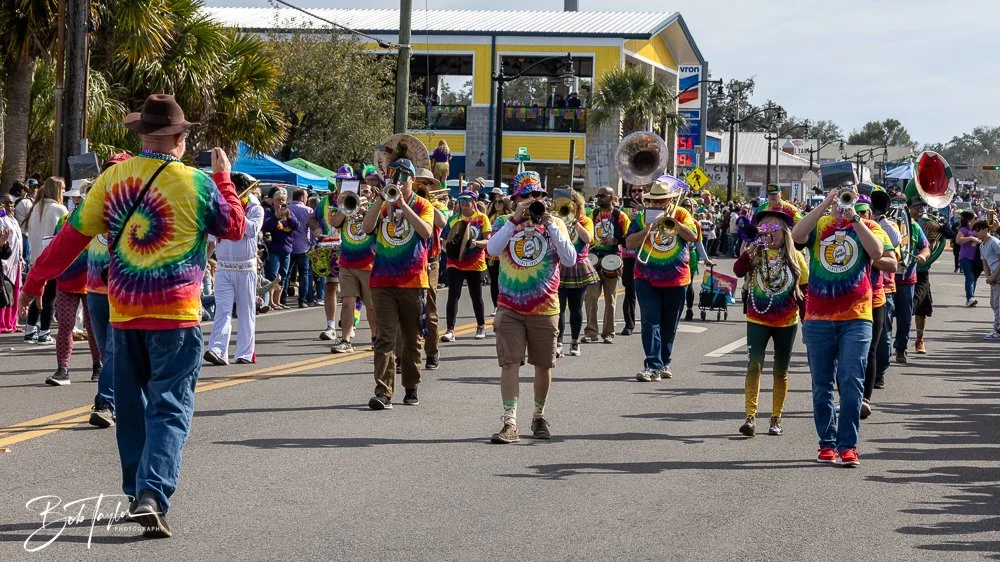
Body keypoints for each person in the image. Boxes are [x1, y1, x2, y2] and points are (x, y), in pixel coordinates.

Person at [20, 93, 246, 537]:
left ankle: (136, 492)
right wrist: (223, 178)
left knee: (130, 407)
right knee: (170, 408)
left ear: (142, 134)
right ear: (180, 139)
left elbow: (68, 239)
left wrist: (34, 283)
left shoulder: (112, 180)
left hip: (124, 314)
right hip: (176, 317)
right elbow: (234, 227)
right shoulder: (197, 183)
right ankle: (152, 493)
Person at [791, 186, 894, 467]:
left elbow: (877, 254)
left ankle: (848, 445)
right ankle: (827, 442)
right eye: (840, 198)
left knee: (851, 382)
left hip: (857, 317)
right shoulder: (821, 222)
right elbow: (797, 235)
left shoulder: (868, 225)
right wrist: (824, 205)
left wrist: (855, 220)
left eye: (847, 198)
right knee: (821, 385)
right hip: (818, 318)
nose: (842, 203)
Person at [486, 171, 576, 443]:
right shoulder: (504, 222)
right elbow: (492, 249)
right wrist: (514, 221)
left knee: (543, 365)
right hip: (510, 306)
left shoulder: (556, 223)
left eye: (537, 195)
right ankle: (509, 422)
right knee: (510, 363)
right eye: (526, 196)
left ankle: (538, 416)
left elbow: (570, 259)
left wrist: (548, 226)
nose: (532, 200)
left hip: (545, 307)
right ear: (515, 199)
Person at [361, 158, 434, 410]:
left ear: (413, 180)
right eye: (395, 176)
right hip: (382, 280)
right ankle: (383, 392)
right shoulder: (382, 204)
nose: (399, 181)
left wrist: (403, 204)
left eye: (404, 177)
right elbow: (367, 227)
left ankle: (411, 386)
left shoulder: (424, 204)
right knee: (384, 338)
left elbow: (426, 232)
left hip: (413, 282)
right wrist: (381, 199)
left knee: (412, 339)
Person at [732, 204, 807, 437]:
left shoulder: (797, 259)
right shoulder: (756, 254)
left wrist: (810, 329)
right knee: (754, 365)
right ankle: (750, 417)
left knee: (780, 371)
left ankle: (776, 418)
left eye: (775, 227)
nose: (769, 232)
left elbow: (805, 296)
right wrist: (751, 249)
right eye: (764, 227)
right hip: (757, 320)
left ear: (785, 232)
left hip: (786, 322)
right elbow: (737, 270)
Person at [625, 176, 698, 382]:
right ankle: (652, 365)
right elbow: (629, 242)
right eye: (654, 200)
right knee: (650, 321)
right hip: (646, 276)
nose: (657, 204)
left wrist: (674, 223)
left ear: (670, 199)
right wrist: (648, 229)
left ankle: (665, 361)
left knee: (669, 324)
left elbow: (693, 237)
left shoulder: (682, 214)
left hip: (676, 278)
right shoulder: (641, 216)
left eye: (662, 200)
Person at [204, 172, 265, 366]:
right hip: (223, 268)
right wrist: (203, 261)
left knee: (246, 312)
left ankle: (245, 353)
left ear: (239, 190)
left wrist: (236, 214)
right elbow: (212, 240)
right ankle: (217, 350)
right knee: (222, 310)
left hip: (246, 268)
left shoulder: (256, 208)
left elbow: (252, 230)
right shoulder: (222, 208)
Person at [46, 184, 101, 387]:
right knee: (65, 327)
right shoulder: (64, 220)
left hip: (93, 282)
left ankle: (98, 366)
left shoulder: (99, 220)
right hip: (66, 280)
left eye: (82, 197)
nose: (78, 201)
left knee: (93, 328)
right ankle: (63, 369)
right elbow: (53, 246)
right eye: (76, 198)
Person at [853, 196, 897, 420]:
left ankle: (864, 400)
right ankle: (849, 398)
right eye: (856, 211)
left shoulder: (875, 229)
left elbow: (892, 263)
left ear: (870, 214)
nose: (860, 216)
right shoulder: (842, 228)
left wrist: (871, 255)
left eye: (863, 212)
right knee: (846, 355)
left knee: (870, 350)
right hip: (848, 300)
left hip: (875, 299)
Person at [401, 167, 448, 369]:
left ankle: (431, 351)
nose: (422, 186)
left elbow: (442, 222)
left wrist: (427, 201)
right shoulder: (404, 203)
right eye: (419, 182)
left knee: (429, 308)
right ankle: (405, 353)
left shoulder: (438, 204)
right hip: (408, 260)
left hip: (430, 261)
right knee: (405, 309)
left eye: (426, 183)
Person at [329, 174, 378, 354]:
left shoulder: (374, 208)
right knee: (348, 301)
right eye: (361, 191)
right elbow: (334, 223)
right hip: (347, 263)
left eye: (366, 191)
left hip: (369, 264)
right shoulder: (346, 207)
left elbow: (375, 227)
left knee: (371, 305)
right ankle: (345, 340)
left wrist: (365, 211)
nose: (363, 194)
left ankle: (375, 337)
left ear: (372, 194)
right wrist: (346, 207)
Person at [22, 177, 68, 344]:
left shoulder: (35, 208)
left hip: (35, 259)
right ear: (56, 190)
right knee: (49, 297)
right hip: (51, 259)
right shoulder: (59, 209)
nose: (64, 192)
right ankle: (44, 331)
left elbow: (27, 231)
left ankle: (30, 328)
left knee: (36, 294)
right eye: (62, 189)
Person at [441, 190, 491, 342]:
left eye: (467, 199)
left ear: (473, 202)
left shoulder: (482, 218)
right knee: (453, 296)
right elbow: (444, 240)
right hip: (455, 263)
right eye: (461, 199)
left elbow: (488, 241)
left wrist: (475, 243)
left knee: (476, 296)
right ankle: (450, 330)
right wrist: (450, 247)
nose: (463, 202)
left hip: (476, 263)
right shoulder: (453, 219)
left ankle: (481, 326)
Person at [584, 186, 629, 344]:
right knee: (590, 296)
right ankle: (591, 331)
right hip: (594, 259)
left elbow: (630, 238)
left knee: (610, 299)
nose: (599, 198)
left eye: (602, 196)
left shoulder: (620, 216)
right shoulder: (591, 213)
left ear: (612, 197)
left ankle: (608, 332)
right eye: (598, 195)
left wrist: (616, 241)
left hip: (612, 259)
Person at [314, 165, 355, 340]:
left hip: (352, 249)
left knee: (350, 292)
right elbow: (312, 218)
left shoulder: (357, 199)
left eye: (344, 180)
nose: (340, 183)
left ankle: (350, 324)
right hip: (330, 248)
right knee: (330, 286)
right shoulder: (326, 200)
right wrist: (315, 227)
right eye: (338, 179)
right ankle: (330, 326)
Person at [556, 189, 598, 357]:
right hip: (560, 266)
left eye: (570, 202)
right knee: (559, 307)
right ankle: (558, 342)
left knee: (576, 307)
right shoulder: (556, 220)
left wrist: (574, 222)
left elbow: (588, 239)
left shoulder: (585, 220)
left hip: (579, 266)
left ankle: (574, 341)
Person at [893, 194, 930, 364]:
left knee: (905, 318)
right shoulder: (886, 224)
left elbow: (925, 248)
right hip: (886, 281)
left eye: (921, 207)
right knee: (883, 319)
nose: (919, 210)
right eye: (916, 206)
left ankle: (901, 349)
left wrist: (923, 256)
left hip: (907, 281)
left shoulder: (914, 227)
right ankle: (881, 351)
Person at [262, 186, 298, 310]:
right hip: (273, 249)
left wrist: (289, 217)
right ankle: (270, 302)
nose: (281, 202)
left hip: (286, 248)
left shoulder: (288, 212)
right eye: (279, 200)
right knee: (273, 276)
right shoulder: (268, 212)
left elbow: (296, 226)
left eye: (283, 200)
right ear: (273, 200)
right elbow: (265, 226)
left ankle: (278, 301)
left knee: (283, 275)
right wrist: (276, 216)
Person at [620, 184, 646, 336]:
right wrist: (627, 221)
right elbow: (620, 235)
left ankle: (647, 322)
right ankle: (629, 324)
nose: (637, 193)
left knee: (646, 291)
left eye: (640, 190)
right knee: (629, 291)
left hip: (646, 254)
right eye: (633, 191)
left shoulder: (651, 209)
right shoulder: (623, 211)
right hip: (629, 255)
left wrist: (643, 213)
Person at [287, 188, 315, 308]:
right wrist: (313, 243)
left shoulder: (287, 209)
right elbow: (312, 228)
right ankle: (303, 300)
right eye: (306, 196)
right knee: (304, 274)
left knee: (286, 274)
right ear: (302, 198)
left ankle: (282, 299)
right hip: (304, 246)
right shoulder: (308, 210)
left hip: (289, 245)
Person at [973, 220, 1000, 341]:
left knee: (998, 304)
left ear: (985, 229)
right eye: (975, 231)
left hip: (998, 276)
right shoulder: (982, 245)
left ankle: (998, 330)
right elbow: (985, 263)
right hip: (993, 277)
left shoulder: (994, 242)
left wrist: (994, 276)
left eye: (978, 231)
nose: (976, 234)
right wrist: (988, 276)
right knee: (993, 303)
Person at [0, 194, 23, 333]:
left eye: (12, 204)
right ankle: (2, 324)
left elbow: (18, 242)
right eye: (6, 203)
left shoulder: (13, 220)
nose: (10, 206)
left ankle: (12, 323)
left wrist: (21, 258)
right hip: (4, 262)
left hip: (16, 262)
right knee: (3, 293)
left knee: (15, 293)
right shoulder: (1, 220)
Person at [955, 210, 982, 307]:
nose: (977, 219)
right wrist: (970, 238)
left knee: (973, 278)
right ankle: (970, 298)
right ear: (969, 220)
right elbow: (958, 240)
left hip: (975, 258)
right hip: (965, 257)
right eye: (975, 218)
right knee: (970, 277)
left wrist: (978, 240)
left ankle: (970, 298)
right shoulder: (964, 229)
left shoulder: (976, 229)